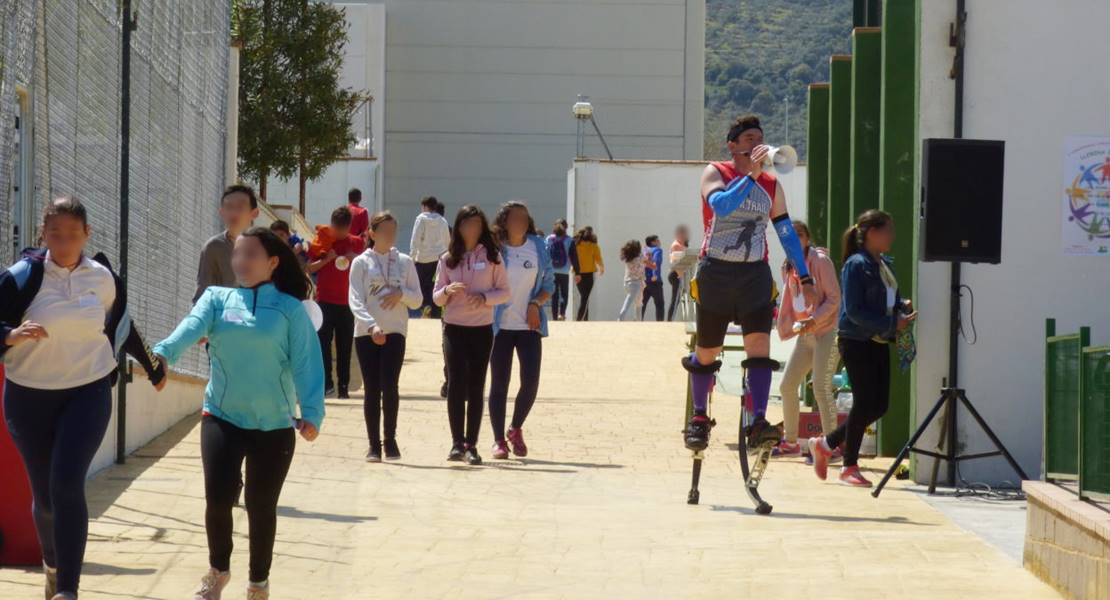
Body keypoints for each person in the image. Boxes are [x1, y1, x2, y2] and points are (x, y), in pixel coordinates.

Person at [1, 197, 166, 600]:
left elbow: (121, 323)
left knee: (67, 483)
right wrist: (9, 335)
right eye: (55, 233)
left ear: (87, 234)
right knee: (45, 498)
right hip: (29, 397)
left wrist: (153, 366)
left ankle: (68, 591)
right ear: (43, 233)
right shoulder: (22, 276)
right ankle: (53, 565)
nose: (64, 240)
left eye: (73, 233)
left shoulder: (103, 277)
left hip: (87, 391)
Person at [154, 227, 324, 600]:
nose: (241, 262)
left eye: (250, 255)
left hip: (274, 423)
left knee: (260, 506)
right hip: (221, 415)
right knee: (217, 498)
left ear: (273, 262)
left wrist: (311, 412)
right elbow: (190, 327)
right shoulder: (217, 299)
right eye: (237, 255)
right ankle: (217, 572)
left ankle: (258, 583)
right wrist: (164, 353)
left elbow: (307, 363)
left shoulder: (290, 309)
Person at [682, 114, 820, 453]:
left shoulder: (771, 184)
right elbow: (721, 207)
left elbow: (785, 230)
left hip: (753, 275)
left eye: (760, 138)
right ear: (732, 145)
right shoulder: (716, 172)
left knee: (759, 349)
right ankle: (699, 417)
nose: (755, 145)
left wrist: (804, 276)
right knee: (707, 350)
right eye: (748, 140)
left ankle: (758, 420)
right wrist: (751, 176)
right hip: (716, 272)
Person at [808, 210, 916, 487]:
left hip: (878, 339)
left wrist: (900, 306)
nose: (892, 235)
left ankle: (825, 444)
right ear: (871, 233)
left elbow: (884, 298)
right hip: (857, 340)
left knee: (879, 405)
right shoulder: (856, 264)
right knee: (866, 402)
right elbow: (854, 311)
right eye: (887, 230)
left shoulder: (883, 264)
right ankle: (849, 465)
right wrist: (893, 322)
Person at [433, 205, 510, 465]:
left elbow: (505, 292)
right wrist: (447, 292)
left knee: (477, 386)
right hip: (453, 327)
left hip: (482, 329)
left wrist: (485, 298)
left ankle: (471, 444)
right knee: (456, 383)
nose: (471, 229)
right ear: (458, 227)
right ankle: (456, 443)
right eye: (466, 224)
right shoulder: (447, 259)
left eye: (476, 224)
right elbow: (435, 295)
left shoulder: (493, 257)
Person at [349, 211, 423, 462]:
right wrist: (371, 326)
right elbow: (355, 299)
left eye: (393, 231)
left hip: (396, 331)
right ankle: (373, 445)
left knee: (390, 386)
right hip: (367, 332)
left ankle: (390, 440)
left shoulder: (404, 261)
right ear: (372, 233)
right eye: (384, 231)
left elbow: (418, 299)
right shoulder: (361, 262)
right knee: (372, 388)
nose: (389, 236)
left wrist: (400, 294)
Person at [488, 201, 555, 459]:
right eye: (515, 218)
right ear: (504, 221)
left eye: (524, 219)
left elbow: (548, 282)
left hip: (530, 326)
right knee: (499, 384)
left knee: (530, 382)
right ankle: (498, 441)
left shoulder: (538, 246)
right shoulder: (495, 248)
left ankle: (515, 428)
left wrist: (535, 303)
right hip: (499, 326)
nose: (521, 223)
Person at [775, 220, 841, 457]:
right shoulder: (788, 267)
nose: (794, 238)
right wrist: (789, 325)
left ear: (807, 237)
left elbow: (834, 299)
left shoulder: (821, 261)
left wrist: (814, 320)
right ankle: (791, 441)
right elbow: (792, 303)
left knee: (821, 388)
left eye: (799, 234)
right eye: (789, 235)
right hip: (806, 335)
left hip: (828, 332)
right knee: (787, 385)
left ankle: (831, 446)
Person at [307, 206, 365, 398]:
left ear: (349, 227)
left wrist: (354, 257)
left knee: (345, 346)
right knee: (323, 344)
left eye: (342, 229)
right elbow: (309, 268)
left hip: (347, 302)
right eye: (335, 228)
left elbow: (368, 265)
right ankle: (327, 384)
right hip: (324, 300)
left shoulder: (356, 243)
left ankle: (343, 387)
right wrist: (327, 259)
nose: (338, 233)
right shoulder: (322, 241)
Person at [195, 185, 260, 303]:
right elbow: (202, 295)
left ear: (254, 213)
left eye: (240, 207)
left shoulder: (267, 248)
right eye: (229, 207)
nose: (234, 213)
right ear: (221, 212)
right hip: (224, 318)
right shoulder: (214, 247)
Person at [410, 196, 451, 318]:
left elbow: (415, 239)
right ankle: (436, 312)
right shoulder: (442, 220)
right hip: (438, 259)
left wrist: (412, 257)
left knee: (421, 285)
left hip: (422, 259)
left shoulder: (421, 219)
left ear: (424, 206)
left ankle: (424, 307)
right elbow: (447, 240)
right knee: (436, 285)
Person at [571, 226, 604, 321]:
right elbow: (598, 258)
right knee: (585, 297)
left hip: (577, 274)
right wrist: (602, 268)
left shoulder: (576, 245)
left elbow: (572, 257)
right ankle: (580, 319)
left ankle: (584, 320)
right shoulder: (593, 245)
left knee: (584, 297)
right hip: (589, 275)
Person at [545, 219, 575, 321]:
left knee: (554, 295)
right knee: (564, 294)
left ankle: (554, 317)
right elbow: (573, 256)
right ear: (566, 228)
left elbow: (545, 254)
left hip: (551, 271)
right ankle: (562, 314)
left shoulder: (549, 238)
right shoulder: (569, 240)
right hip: (564, 271)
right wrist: (577, 270)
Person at [618, 240, 646, 322]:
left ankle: (638, 320)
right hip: (635, 283)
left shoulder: (628, 258)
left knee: (639, 302)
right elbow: (647, 260)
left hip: (627, 282)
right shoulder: (640, 257)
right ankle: (621, 318)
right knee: (631, 302)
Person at [667, 225, 690, 321]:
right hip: (676, 274)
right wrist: (680, 274)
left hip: (681, 274)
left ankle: (679, 319)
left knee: (680, 298)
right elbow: (674, 261)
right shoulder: (676, 245)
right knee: (675, 299)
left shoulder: (682, 244)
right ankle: (669, 320)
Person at [640, 235, 665, 321]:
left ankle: (638, 322)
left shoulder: (644, 251)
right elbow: (656, 262)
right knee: (659, 304)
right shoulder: (657, 250)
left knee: (642, 303)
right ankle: (660, 323)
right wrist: (655, 275)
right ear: (652, 242)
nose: (659, 242)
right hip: (654, 281)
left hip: (644, 281)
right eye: (657, 240)